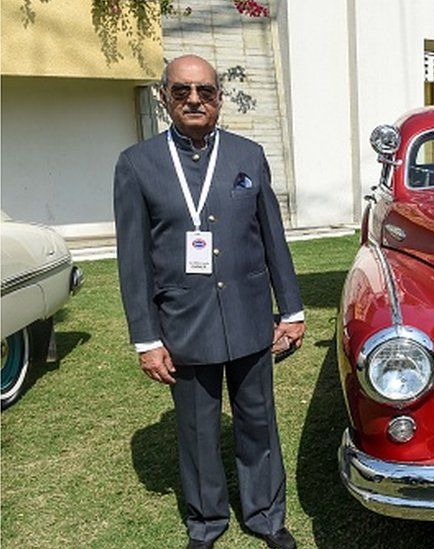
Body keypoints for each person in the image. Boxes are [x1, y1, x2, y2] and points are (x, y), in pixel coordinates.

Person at [114, 54, 304, 549]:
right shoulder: (137, 164)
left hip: (248, 316)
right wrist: (146, 338)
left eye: (204, 91)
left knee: (258, 421)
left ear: (219, 97)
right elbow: (132, 260)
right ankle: (205, 523)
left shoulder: (248, 155)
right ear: (164, 98)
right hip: (183, 322)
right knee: (197, 431)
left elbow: (272, 239)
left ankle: (265, 517)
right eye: (181, 92)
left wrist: (293, 310)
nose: (194, 100)